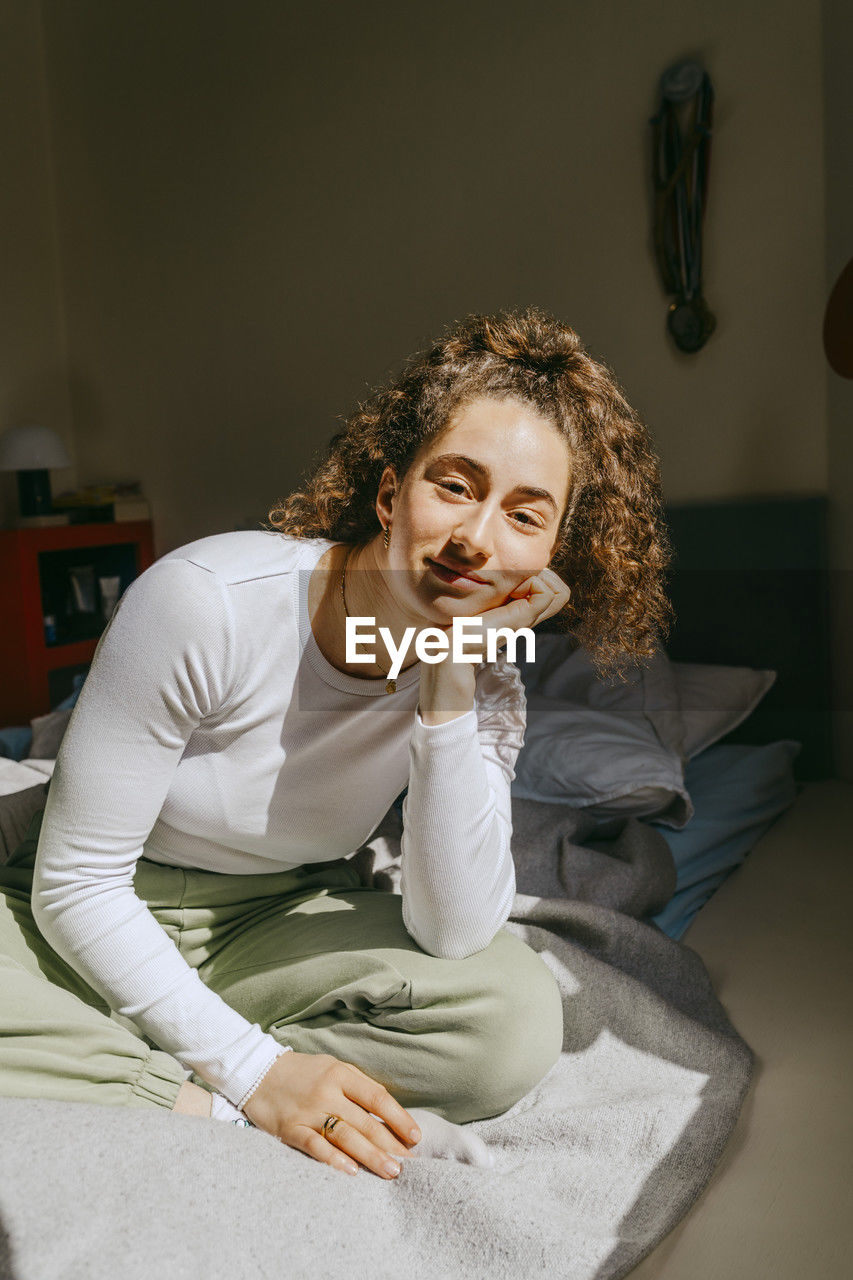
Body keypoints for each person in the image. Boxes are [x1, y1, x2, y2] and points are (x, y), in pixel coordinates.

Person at [0, 305, 673, 1180]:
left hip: (274, 916)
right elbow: (76, 882)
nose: (476, 539)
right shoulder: (206, 600)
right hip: (86, 896)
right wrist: (258, 1075)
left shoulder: (488, 682)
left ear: (549, 555)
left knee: (509, 1019)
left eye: (524, 515)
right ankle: (196, 1098)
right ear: (391, 494)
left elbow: (455, 929)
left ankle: (120, 1041)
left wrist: (447, 684)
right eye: (456, 486)